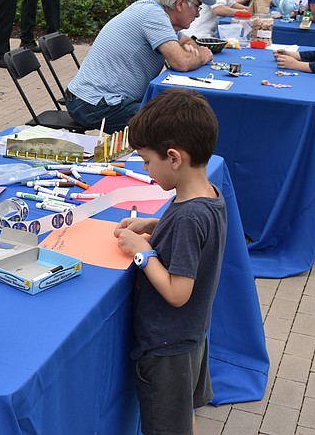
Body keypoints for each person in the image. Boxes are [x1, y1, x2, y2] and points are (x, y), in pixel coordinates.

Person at [114, 88, 226, 435]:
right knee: (183, 415)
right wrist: (153, 224)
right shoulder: (207, 196)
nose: (147, 171)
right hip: (189, 339)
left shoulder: (188, 216)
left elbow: (178, 292)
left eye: (147, 161)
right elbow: (192, 236)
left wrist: (141, 252)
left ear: (174, 158)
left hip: (167, 350)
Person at [64, 0, 215, 132]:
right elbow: (181, 63)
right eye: (197, 7)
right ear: (181, 3)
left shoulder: (152, 10)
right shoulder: (154, 16)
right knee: (175, 122)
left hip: (93, 99)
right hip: (93, 104)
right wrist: (202, 55)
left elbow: (186, 41)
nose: (198, 14)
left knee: (176, 108)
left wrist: (189, 48)